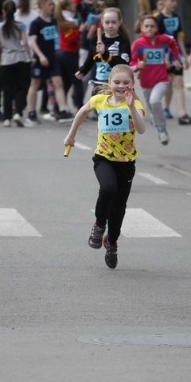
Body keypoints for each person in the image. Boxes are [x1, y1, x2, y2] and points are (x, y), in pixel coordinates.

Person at [63, 64, 146, 270]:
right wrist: (71, 135)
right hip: (104, 157)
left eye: (125, 83)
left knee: (118, 209)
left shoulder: (134, 103)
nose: (121, 86)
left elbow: (142, 129)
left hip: (126, 162)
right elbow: (82, 113)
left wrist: (132, 107)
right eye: (116, 82)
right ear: (109, 83)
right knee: (107, 188)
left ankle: (112, 242)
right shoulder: (99, 100)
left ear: (132, 85)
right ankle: (99, 225)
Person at [130, 15, 178, 145]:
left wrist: (175, 59)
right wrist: (137, 66)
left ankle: (162, 130)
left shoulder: (163, 40)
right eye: (146, 26)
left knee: (155, 101)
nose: (149, 28)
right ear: (142, 28)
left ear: (157, 28)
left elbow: (173, 43)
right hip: (146, 82)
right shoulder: (138, 44)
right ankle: (154, 116)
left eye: (152, 26)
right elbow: (131, 63)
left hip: (162, 79)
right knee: (151, 106)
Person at [25, 0, 73, 125]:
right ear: (41, 6)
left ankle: (63, 110)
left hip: (53, 58)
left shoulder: (53, 21)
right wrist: (40, 56)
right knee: (35, 84)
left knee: (58, 82)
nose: (52, 7)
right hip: (40, 59)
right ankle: (31, 113)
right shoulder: (36, 23)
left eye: (53, 4)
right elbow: (32, 42)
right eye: (49, 4)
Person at [153, 0, 191, 125]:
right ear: (165, 2)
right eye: (172, 1)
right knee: (165, 84)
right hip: (163, 55)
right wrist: (162, 58)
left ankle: (183, 114)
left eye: (176, 1)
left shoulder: (177, 18)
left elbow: (179, 38)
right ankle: (157, 109)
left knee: (179, 83)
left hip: (175, 55)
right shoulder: (158, 19)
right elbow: (156, 40)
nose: (175, 3)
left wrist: (185, 57)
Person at [76, 7, 132, 96]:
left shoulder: (123, 41)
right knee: (98, 108)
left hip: (116, 85)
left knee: (112, 109)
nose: (110, 25)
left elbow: (124, 64)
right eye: (107, 22)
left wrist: (105, 53)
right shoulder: (96, 39)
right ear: (102, 23)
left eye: (114, 22)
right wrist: (83, 70)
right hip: (99, 82)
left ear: (119, 23)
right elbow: (91, 58)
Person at [0, 0, 32, 127]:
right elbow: (25, 43)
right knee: (21, 88)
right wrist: (30, 57)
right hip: (20, 58)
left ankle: (6, 117)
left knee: (7, 89)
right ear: (15, 11)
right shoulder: (20, 26)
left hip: (6, 60)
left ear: (3, 11)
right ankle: (18, 113)